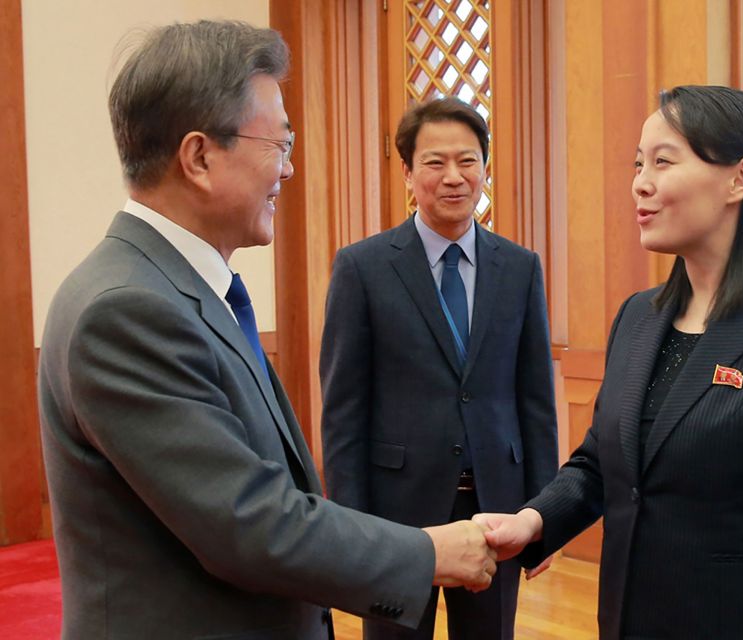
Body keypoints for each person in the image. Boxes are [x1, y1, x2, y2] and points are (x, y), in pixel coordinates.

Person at [37, 21, 496, 640]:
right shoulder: (126, 310)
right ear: (199, 156)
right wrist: (429, 552)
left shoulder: (182, 287)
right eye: (278, 145)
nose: (288, 170)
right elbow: (249, 523)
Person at [475, 85, 743, 639]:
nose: (641, 183)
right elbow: (602, 463)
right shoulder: (638, 317)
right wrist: (533, 520)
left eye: (663, 162)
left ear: (741, 178)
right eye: (638, 164)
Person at [320, 97, 558, 640]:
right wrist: (352, 531)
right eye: (434, 162)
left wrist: (545, 516)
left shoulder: (519, 267)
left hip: (499, 507)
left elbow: (536, 399)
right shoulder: (363, 267)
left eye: (467, 161)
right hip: (397, 515)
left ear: (484, 168)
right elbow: (343, 412)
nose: (454, 177)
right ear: (407, 172)